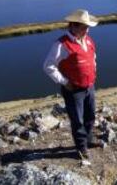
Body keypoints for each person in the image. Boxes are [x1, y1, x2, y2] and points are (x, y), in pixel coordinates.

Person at [43, 9, 101, 161]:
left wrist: (93, 72)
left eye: (87, 27)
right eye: (83, 27)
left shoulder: (88, 40)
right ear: (73, 26)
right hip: (73, 89)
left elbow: (93, 58)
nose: (87, 30)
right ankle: (81, 149)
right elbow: (48, 66)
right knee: (78, 120)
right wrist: (65, 82)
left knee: (90, 116)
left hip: (89, 86)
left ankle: (88, 141)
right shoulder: (61, 44)